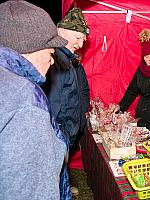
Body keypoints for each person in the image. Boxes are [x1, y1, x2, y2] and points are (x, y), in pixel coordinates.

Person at [0, 0, 72, 199]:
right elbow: (34, 190)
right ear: (30, 47)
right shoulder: (27, 99)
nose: (51, 60)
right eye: (50, 53)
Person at [42, 7, 90, 196]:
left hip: (67, 129)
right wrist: (59, 133)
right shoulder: (56, 60)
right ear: (61, 31)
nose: (81, 43)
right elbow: (53, 103)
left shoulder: (68, 59)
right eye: (77, 37)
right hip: (60, 130)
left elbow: (76, 93)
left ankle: (63, 189)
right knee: (55, 171)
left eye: (83, 39)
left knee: (62, 168)